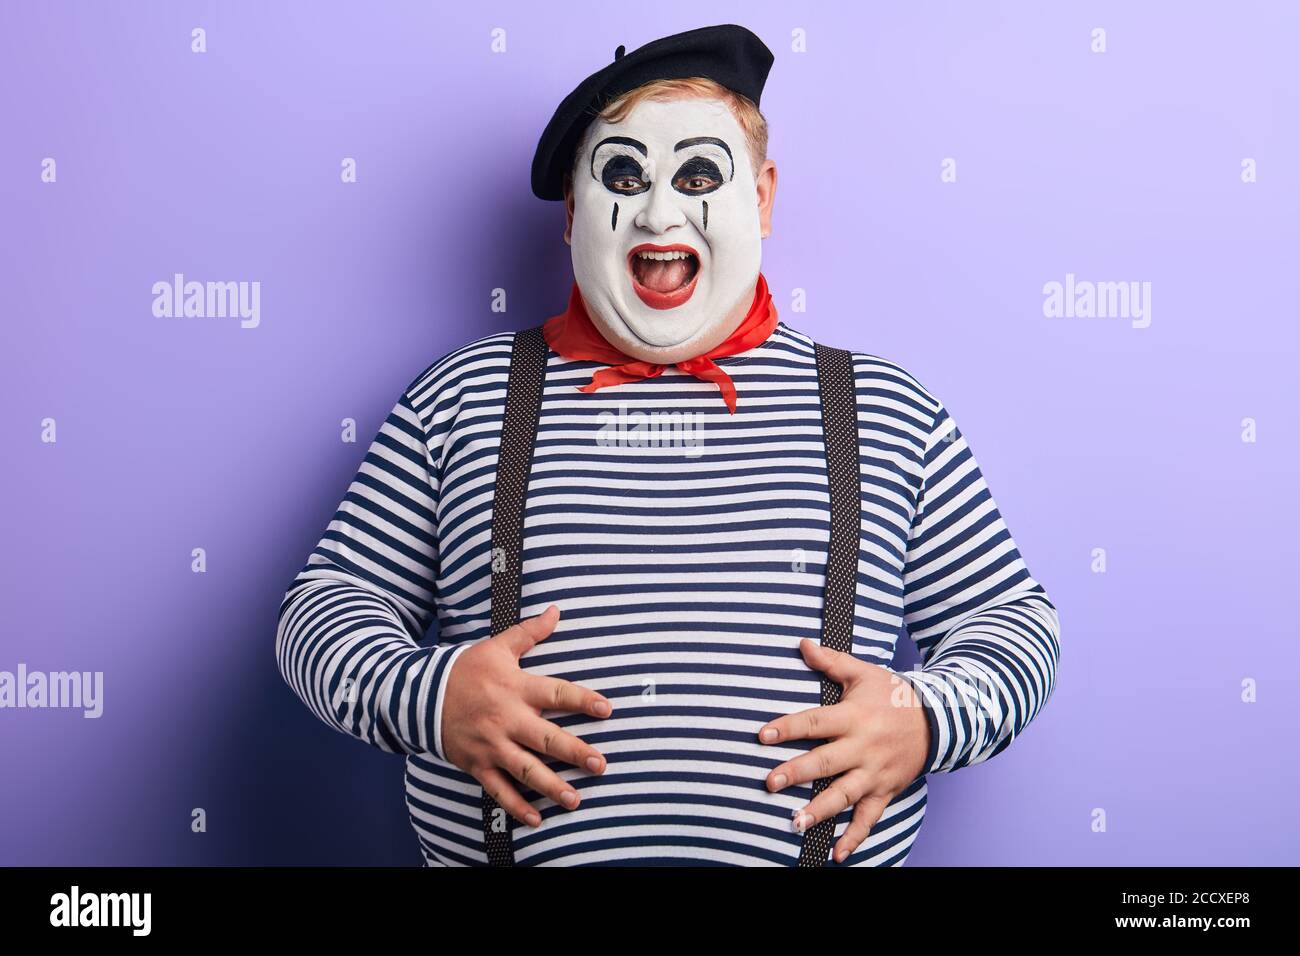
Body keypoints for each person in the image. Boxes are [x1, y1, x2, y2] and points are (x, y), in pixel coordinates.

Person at [275, 24, 1060, 866]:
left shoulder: (882, 409)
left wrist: (922, 718)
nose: (658, 211)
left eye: (697, 175)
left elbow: (1014, 627)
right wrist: (430, 697)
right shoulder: (461, 398)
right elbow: (319, 614)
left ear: (759, 199)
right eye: (622, 176)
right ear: (574, 214)